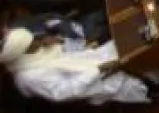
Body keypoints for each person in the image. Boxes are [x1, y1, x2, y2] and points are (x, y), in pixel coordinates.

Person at [0, 27, 151, 106]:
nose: (38, 41)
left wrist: (62, 43)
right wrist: (99, 69)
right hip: (92, 85)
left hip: (92, 61)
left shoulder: (36, 54)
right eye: (34, 42)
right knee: (139, 59)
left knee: (130, 40)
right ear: (22, 52)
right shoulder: (29, 78)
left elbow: (69, 58)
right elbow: (67, 92)